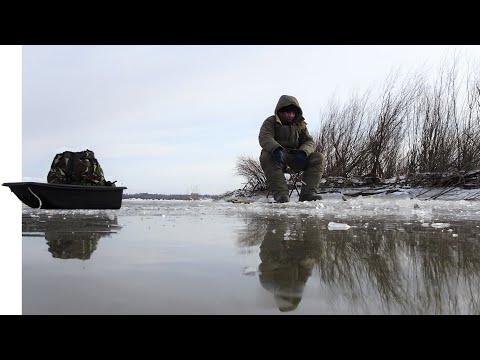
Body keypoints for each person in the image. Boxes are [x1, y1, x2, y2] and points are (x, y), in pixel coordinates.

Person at [259, 95, 325, 203]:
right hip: (278, 157)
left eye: (293, 113)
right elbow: (265, 136)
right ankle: (281, 195)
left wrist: (303, 153)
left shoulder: (300, 124)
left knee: (319, 158)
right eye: (288, 112)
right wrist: (276, 149)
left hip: (297, 157)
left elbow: (309, 141)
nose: (291, 115)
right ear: (281, 111)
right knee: (266, 156)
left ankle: (308, 194)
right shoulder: (270, 121)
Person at [258, 217, 315, 312]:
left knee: (267, 254)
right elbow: (308, 268)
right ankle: (311, 222)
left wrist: (280, 260)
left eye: (285, 297)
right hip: (295, 254)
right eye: (290, 297)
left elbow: (265, 266)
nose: (288, 293)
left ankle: (278, 221)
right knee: (317, 252)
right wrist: (304, 259)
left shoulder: (267, 284)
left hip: (275, 254)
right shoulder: (299, 284)